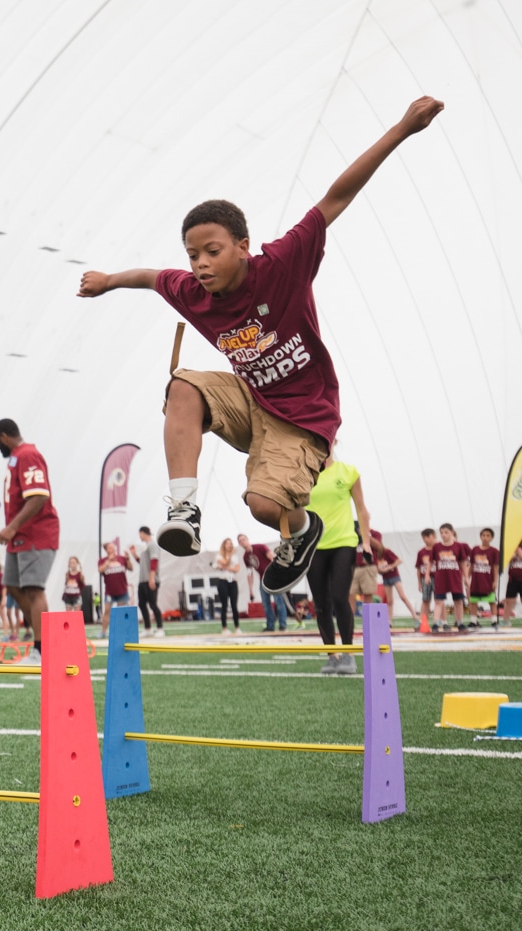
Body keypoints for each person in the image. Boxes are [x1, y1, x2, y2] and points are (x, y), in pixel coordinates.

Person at [78, 96, 445, 597]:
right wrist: (108, 280)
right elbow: (148, 276)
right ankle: (183, 509)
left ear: (243, 246)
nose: (201, 264)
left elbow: (335, 197)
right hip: (252, 400)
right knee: (183, 386)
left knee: (263, 507)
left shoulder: (282, 265)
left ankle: (301, 530)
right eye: (193, 255)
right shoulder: (191, 291)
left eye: (212, 252)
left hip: (304, 417)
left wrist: (402, 128)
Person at [0, 419, 60, 666]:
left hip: (36, 534)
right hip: (20, 537)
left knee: (34, 589)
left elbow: (39, 496)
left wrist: (12, 527)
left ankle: (41, 651)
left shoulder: (28, 455)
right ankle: (49, 642)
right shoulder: (17, 458)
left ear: (4, 436)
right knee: (12, 585)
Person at [306, 455, 369, 674]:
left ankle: (348, 654)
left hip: (344, 542)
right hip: (313, 546)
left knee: (340, 597)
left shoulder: (348, 472)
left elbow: (361, 509)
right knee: (321, 603)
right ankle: (331, 656)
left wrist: (367, 543)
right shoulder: (303, 473)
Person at [371, 530, 420, 626]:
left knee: (402, 596)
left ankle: (415, 616)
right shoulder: (375, 556)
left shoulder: (387, 552)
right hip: (385, 578)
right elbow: (376, 568)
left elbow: (399, 560)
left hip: (394, 576)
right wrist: (381, 571)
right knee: (389, 601)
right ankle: (389, 621)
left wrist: (390, 567)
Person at [430, 524, 471, 632]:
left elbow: (463, 562)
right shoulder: (436, 547)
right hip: (441, 578)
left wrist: (466, 577)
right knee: (438, 601)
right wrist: (426, 576)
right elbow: (430, 561)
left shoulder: (458, 546)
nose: (443, 535)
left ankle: (460, 622)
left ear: (452, 532)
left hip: (455, 578)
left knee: (458, 600)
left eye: (446, 532)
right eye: (441, 532)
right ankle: (436, 623)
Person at [467, 528, 500, 630]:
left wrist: (495, 581)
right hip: (476, 580)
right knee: (473, 601)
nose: (485, 538)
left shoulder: (494, 551)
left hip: (488, 580)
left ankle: (494, 620)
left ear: (492, 538)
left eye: (488, 536)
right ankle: (473, 620)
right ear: (480, 536)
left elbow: (495, 567)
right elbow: (471, 565)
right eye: (483, 535)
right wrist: (467, 576)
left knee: (491, 601)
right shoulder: (475, 549)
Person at [132, 527, 163, 637]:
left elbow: (154, 562)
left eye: (140, 534)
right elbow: (143, 563)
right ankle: (148, 628)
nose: (139, 536)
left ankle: (160, 628)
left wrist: (151, 578)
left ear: (143, 533)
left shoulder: (153, 545)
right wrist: (134, 554)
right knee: (142, 604)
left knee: (153, 604)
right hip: (143, 580)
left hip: (150, 579)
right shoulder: (146, 547)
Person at [97, 543, 132, 637]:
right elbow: (100, 570)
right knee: (107, 611)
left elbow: (130, 568)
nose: (112, 549)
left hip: (122, 590)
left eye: (113, 547)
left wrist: (128, 558)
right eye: (109, 547)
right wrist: (108, 561)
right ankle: (103, 632)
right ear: (106, 550)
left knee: (121, 612)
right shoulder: (102, 560)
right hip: (109, 592)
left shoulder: (121, 558)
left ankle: (122, 632)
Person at [213, 538, 242, 633]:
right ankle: (224, 627)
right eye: (227, 543)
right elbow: (225, 562)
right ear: (224, 545)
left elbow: (236, 569)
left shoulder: (235, 557)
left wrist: (225, 567)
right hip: (223, 581)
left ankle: (237, 627)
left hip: (233, 581)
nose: (229, 545)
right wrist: (228, 560)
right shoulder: (219, 555)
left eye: (231, 543)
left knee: (234, 605)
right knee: (224, 605)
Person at [416, 528, 437, 622]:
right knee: (425, 600)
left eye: (428, 537)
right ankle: (423, 621)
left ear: (434, 536)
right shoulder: (421, 552)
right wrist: (419, 582)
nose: (426, 539)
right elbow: (418, 568)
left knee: (439, 600)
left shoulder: (439, 549)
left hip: (437, 577)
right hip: (425, 578)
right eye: (424, 537)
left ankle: (440, 621)